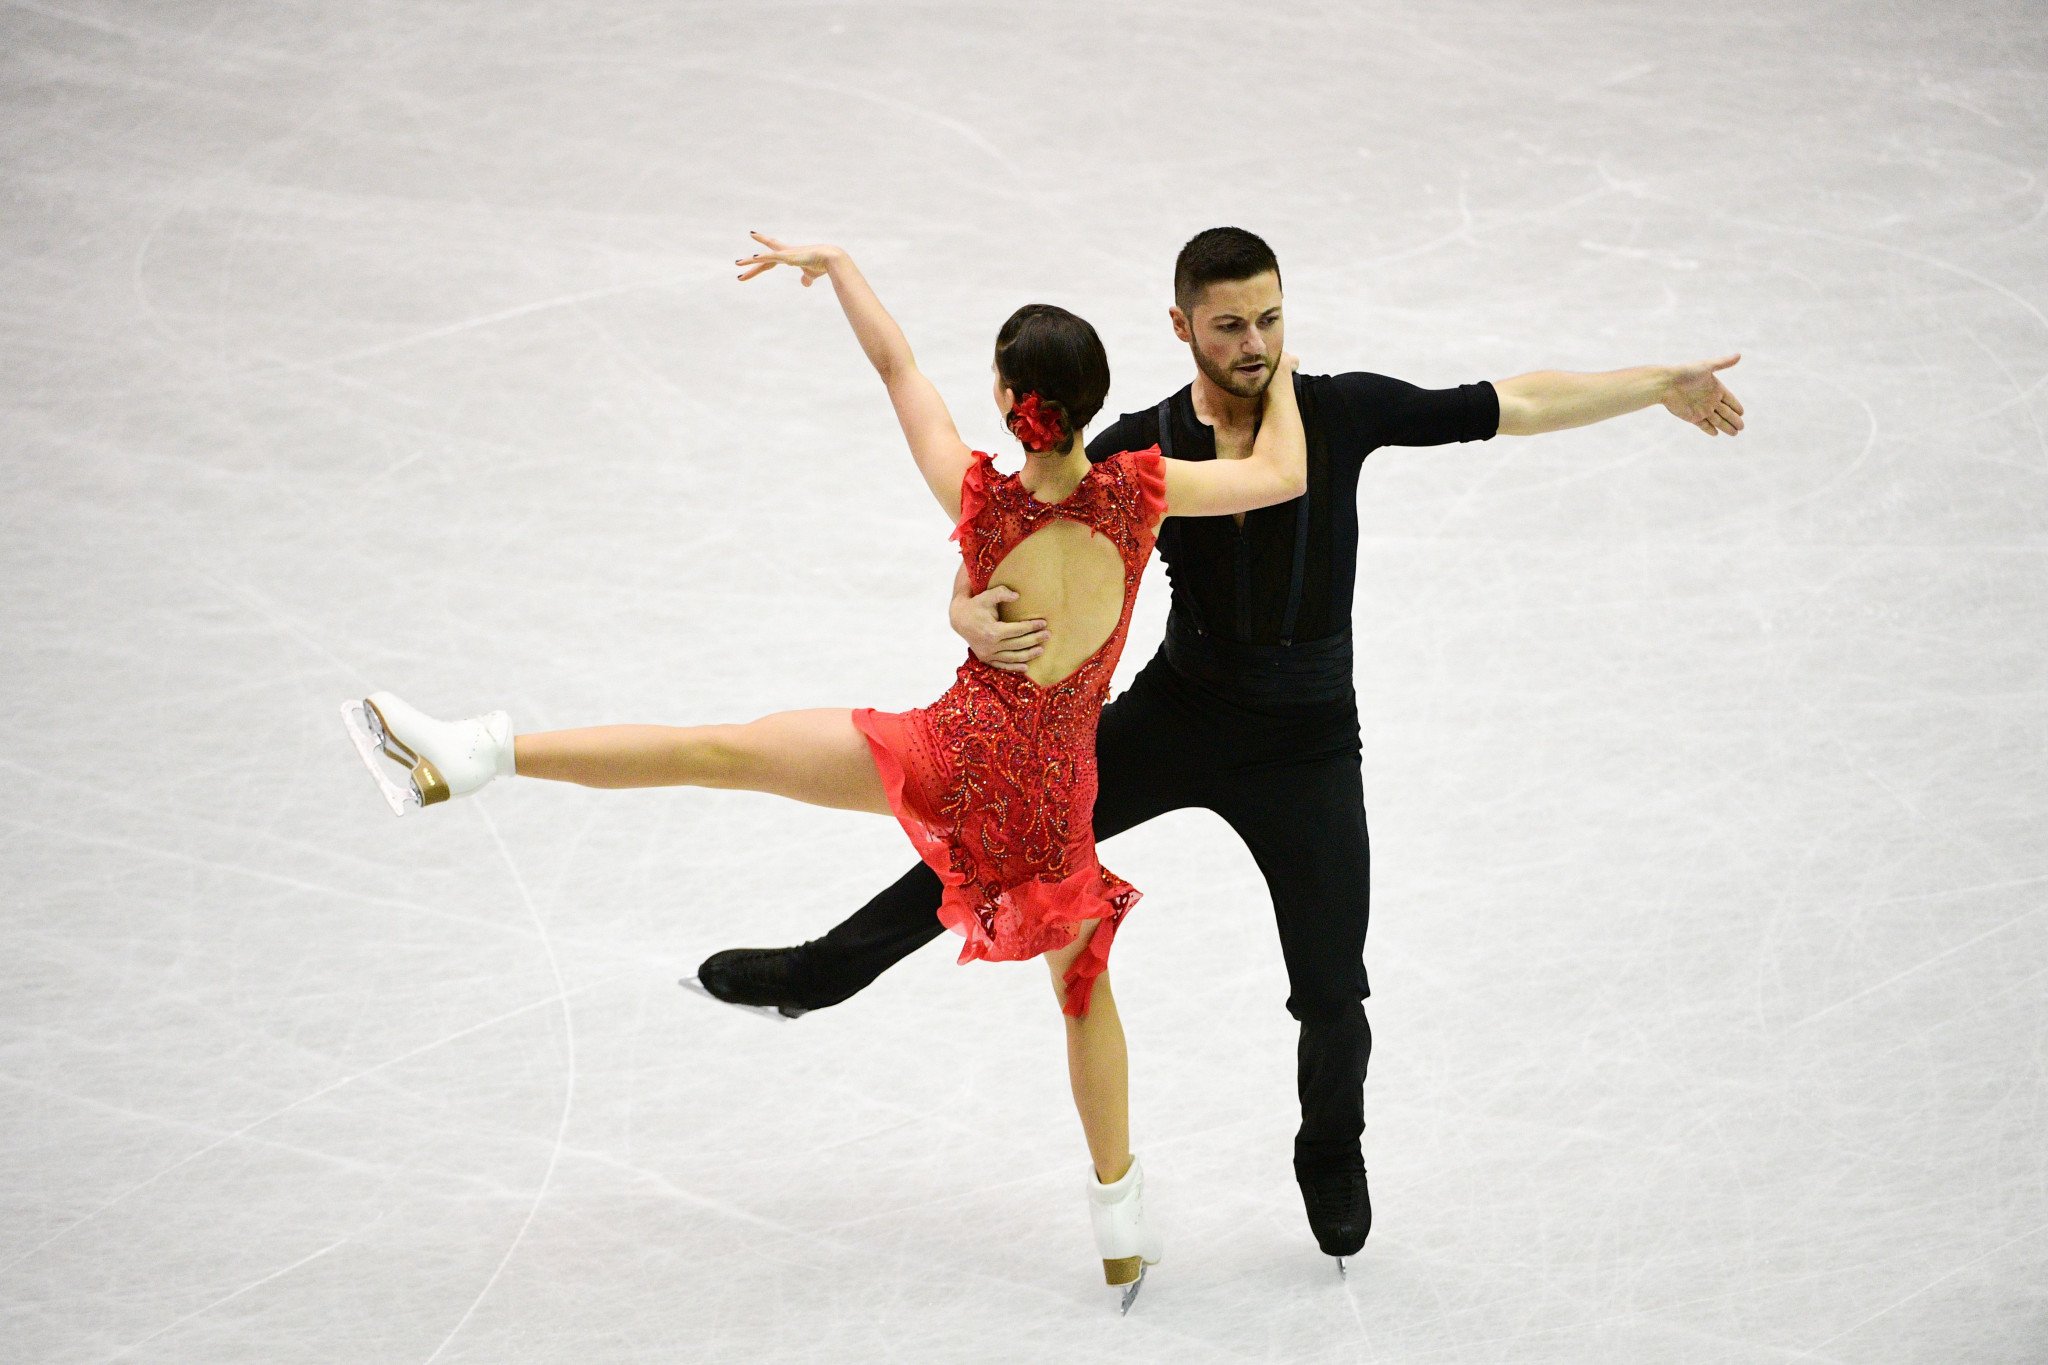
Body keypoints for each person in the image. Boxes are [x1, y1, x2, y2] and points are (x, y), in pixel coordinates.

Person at [694, 226, 1748, 1274]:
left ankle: (1329, 1147)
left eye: (1271, 319)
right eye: (1231, 324)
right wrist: (964, 612)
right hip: (1180, 711)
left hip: (1306, 742)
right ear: (1180, 327)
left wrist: (1655, 383)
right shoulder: (1136, 447)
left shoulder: (1337, 409)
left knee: (1333, 987)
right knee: (994, 822)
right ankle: (823, 972)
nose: (1256, 342)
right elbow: (1008, 534)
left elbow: (1508, 403)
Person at [338, 233, 1308, 1310]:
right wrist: (1286, 354)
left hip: (947, 758)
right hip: (1048, 809)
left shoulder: (979, 499)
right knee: (1083, 995)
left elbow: (899, 372)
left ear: (1006, 398)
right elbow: (1282, 471)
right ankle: (1120, 1228)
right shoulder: (1140, 495)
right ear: (1093, 402)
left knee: (718, 750)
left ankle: (480, 756)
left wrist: (840, 269)